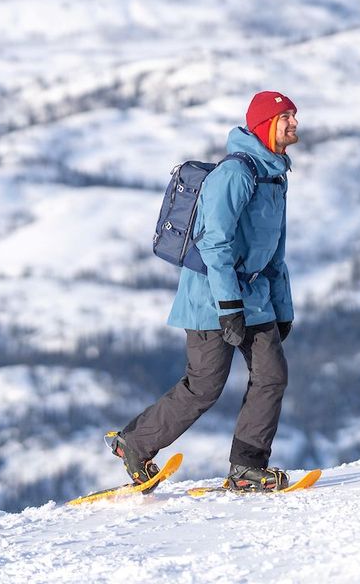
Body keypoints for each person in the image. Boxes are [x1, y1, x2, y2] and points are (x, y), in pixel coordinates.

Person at [110, 91, 300, 491]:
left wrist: (283, 309)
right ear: (266, 125)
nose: (294, 124)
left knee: (272, 375)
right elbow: (214, 243)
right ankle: (135, 444)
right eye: (286, 117)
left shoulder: (274, 176)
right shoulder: (235, 174)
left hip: (256, 297)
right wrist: (228, 306)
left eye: (293, 116)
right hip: (211, 298)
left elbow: (275, 253)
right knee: (205, 386)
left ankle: (247, 466)